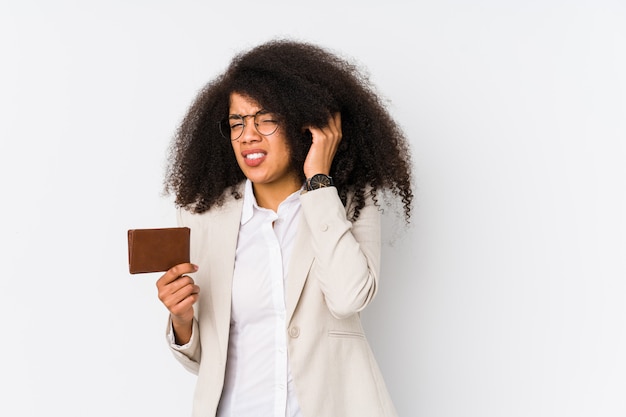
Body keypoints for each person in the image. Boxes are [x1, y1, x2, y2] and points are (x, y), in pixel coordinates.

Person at [156, 39, 413, 417]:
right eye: (237, 122)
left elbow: (348, 298)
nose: (248, 135)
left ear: (304, 125)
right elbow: (204, 363)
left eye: (266, 119)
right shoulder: (203, 217)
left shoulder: (349, 205)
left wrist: (319, 182)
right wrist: (181, 320)